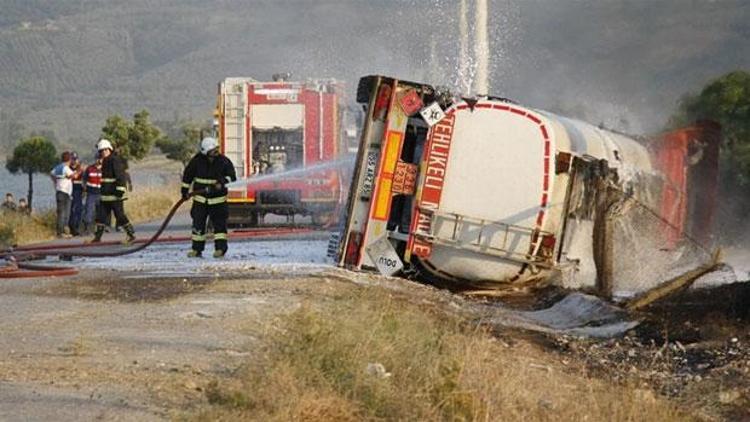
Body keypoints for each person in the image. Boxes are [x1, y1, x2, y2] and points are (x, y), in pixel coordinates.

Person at [181, 137, 236, 258]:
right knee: (198, 225)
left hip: (218, 201)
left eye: (216, 149)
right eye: (213, 150)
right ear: (206, 152)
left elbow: (232, 177)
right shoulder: (197, 161)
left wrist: (221, 183)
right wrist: (184, 191)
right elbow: (187, 176)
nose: (216, 152)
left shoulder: (223, 161)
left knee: (220, 227)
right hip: (200, 200)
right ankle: (197, 249)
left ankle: (220, 249)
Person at [90, 139, 135, 244]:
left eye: (105, 150)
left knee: (119, 215)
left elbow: (120, 176)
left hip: (115, 195)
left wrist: (120, 190)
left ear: (109, 149)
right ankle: (97, 238)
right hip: (105, 195)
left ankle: (131, 235)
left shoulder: (115, 160)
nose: (103, 152)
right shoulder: (105, 161)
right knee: (100, 216)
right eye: (101, 151)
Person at [50, 151, 77, 238]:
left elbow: (51, 174)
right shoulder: (65, 168)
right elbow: (74, 176)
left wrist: (56, 181)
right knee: (65, 213)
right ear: (69, 160)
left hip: (59, 191)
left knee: (61, 212)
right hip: (65, 193)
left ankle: (62, 232)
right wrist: (80, 169)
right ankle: (61, 232)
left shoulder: (57, 167)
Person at [82, 156, 103, 235]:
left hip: (101, 193)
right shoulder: (89, 169)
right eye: (97, 159)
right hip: (91, 194)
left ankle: (100, 229)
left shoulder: (105, 169)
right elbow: (84, 180)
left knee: (101, 212)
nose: (99, 160)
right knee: (89, 211)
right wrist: (84, 189)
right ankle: (87, 228)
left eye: (100, 159)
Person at [68, 152, 84, 236]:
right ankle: (72, 228)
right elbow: (74, 176)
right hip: (70, 189)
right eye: (72, 159)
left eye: (75, 159)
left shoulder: (81, 168)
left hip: (79, 190)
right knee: (71, 209)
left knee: (79, 209)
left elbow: (84, 179)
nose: (74, 161)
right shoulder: (68, 168)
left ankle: (76, 227)